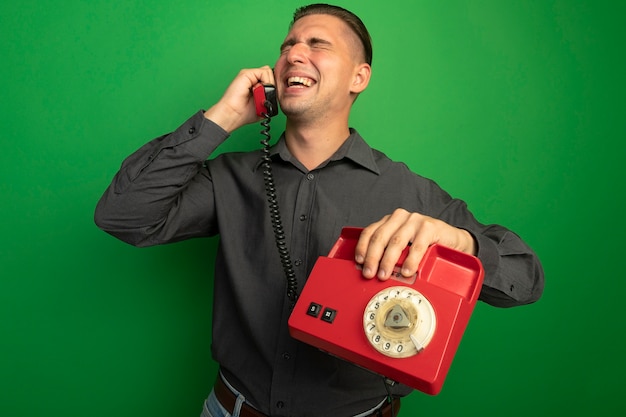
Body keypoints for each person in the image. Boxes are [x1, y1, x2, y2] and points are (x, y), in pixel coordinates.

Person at [94, 3, 544, 417]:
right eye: (288, 45)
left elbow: (525, 280)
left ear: (359, 78)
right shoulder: (229, 178)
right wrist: (224, 117)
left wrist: (459, 242)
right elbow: (122, 214)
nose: (293, 54)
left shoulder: (410, 191)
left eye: (317, 44)